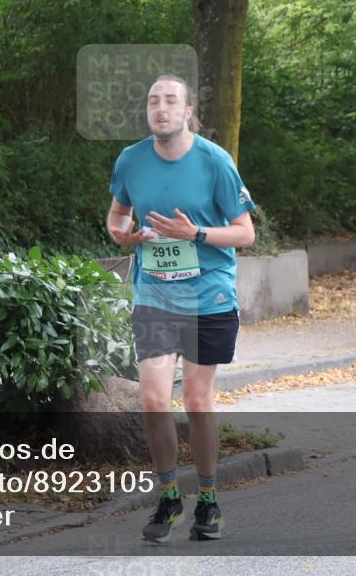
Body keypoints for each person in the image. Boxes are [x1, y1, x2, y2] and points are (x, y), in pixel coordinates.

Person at [106, 74, 256, 543]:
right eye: (153, 100)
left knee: (195, 398)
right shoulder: (130, 161)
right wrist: (122, 234)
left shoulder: (214, 162)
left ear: (188, 112)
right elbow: (117, 215)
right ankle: (169, 496)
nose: (161, 108)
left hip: (207, 294)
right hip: (154, 294)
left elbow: (245, 233)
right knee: (152, 399)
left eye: (171, 100)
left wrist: (193, 233)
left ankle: (208, 500)